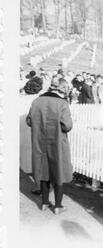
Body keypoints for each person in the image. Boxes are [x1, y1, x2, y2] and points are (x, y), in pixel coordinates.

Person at [26, 77, 73, 214]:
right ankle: (58, 206)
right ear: (61, 88)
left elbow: (29, 121)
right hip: (57, 143)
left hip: (40, 142)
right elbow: (67, 126)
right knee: (58, 171)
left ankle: (45, 203)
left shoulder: (36, 102)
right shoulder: (62, 103)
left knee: (43, 171)